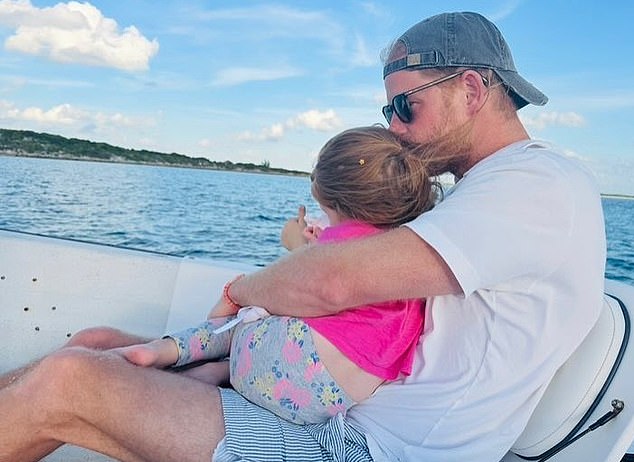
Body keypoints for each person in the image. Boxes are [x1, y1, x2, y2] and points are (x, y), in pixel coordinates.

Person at [0, 11, 606, 462]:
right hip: (330, 408)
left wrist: (242, 291)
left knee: (69, 381)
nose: (393, 129)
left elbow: (333, 279)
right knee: (95, 341)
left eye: (405, 108)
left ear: (472, 91)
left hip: (365, 447)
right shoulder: (480, 190)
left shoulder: (538, 185)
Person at [111, 125, 438, 425]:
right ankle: (218, 371)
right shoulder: (404, 254)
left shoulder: (340, 251)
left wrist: (301, 241)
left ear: (323, 190)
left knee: (250, 311)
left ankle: (165, 351)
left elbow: (298, 263)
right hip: (329, 399)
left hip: (277, 361)